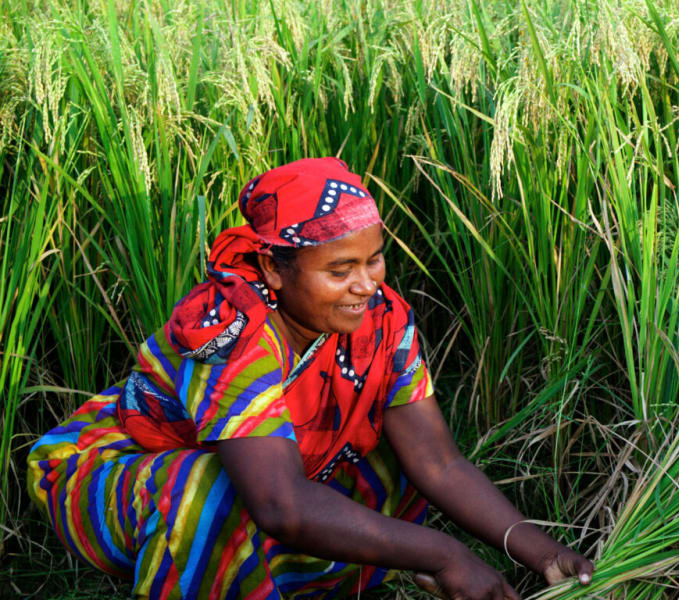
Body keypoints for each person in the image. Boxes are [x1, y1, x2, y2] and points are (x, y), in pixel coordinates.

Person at [28, 158, 594, 600]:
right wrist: (444, 555)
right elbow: (280, 506)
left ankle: (278, 577)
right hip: (113, 475)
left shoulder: (382, 316)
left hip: (281, 472)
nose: (365, 283)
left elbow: (438, 463)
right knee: (209, 490)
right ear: (275, 267)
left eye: (373, 259)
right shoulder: (228, 329)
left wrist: (539, 551)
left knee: (391, 465)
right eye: (339, 270)